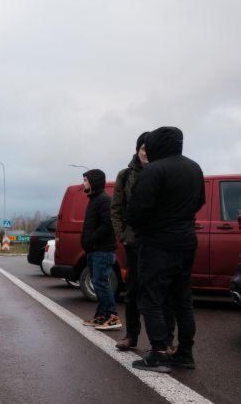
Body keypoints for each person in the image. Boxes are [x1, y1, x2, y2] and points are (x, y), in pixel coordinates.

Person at [127, 126, 205, 373]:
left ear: (158, 144)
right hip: (186, 241)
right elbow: (200, 201)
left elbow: (137, 212)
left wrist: (144, 226)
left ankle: (158, 352)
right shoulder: (194, 167)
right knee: (182, 299)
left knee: (151, 298)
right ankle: (184, 352)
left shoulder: (153, 171)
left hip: (158, 243)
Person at [111, 133, 177, 351]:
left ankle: (165, 340)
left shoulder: (162, 172)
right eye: (143, 149)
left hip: (158, 243)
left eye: (149, 149)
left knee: (162, 292)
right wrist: (122, 235)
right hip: (135, 244)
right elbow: (116, 209)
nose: (146, 153)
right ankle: (131, 336)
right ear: (137, 149)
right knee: (132, 292)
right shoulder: (125, 175)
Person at [80, 169, 122, 331]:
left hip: (102, 251)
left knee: (101, 282)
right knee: (97, 283)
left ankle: (112, 316)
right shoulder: (94, 200)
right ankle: (101, 316)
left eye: (85, 180)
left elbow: (107, 225)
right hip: (94, 250)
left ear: (93, 182)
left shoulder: (104, 200)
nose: (83, 183)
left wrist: (90, 240)